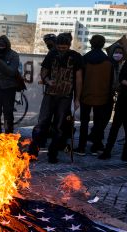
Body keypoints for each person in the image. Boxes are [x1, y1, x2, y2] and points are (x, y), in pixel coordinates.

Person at [28, 33, 83, 163]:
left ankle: (53, 154)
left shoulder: (76, 57)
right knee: (41, 123)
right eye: (59, 47)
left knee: (59, 127)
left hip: (65, 96)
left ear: (69, 45)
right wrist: (47, 80)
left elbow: (79, 79)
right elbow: (43, 71)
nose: (61, 50)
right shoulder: (52, 54)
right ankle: (32, 152)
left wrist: (77, 98)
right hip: (50, 95)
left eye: (64, 47)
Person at [75, 35, 113, 156]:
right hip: (102, 97)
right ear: (103, 44)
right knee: (98, 123)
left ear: (91, 43)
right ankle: (96, 147)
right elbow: (111, 81)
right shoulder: (108, 61)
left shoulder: (84, 59)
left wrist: (78, 95)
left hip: (85, 95)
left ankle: (81, 148)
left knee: (84, 122)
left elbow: (79, 79)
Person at [98, 43, 127, 160]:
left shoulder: (122, 65)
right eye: (116, 52)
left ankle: (99, 140)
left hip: (114, 97)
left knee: (106, 119)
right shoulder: (107, 64)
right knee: (101, 119)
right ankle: (98, 141)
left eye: (120, 53)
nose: (118, 55)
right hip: (104, 95)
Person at [0, 35, 20, 134]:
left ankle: (8, 134)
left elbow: (12, 72)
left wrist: (0, 61)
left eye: (2, 46)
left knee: (8, 114)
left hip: (9, 88)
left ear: (7, 45)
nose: (0, 48)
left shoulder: (14, 55)